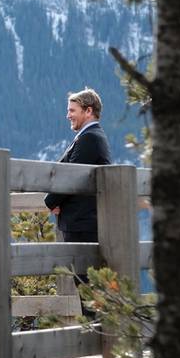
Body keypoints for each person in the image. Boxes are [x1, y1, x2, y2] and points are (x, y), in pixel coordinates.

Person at [43, 88, 112, 243]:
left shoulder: (89, 138)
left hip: (82, 226)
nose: (68, 116)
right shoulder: (92, 136)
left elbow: (71, 177)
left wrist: (50, 202)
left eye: (72, 111)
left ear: (88, 111)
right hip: (81, 224)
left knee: (78, 267)